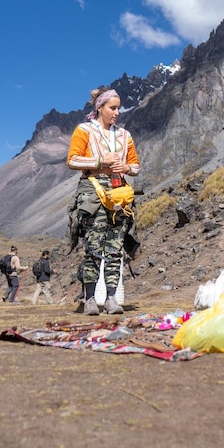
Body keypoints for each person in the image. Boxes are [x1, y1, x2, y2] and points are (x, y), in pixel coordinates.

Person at [67, 86, 140, 315]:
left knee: (115, 247)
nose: (117, 112)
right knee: (93, 246)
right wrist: (100, 162)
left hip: (119, 193)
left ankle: (111, 298)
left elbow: (136, 166)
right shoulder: (84, 130)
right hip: (93, 191)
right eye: (113, 108)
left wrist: (125, 167)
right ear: (100, 108)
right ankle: (90, 298)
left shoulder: (125, 135)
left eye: (118, 108)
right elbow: (72, 160)